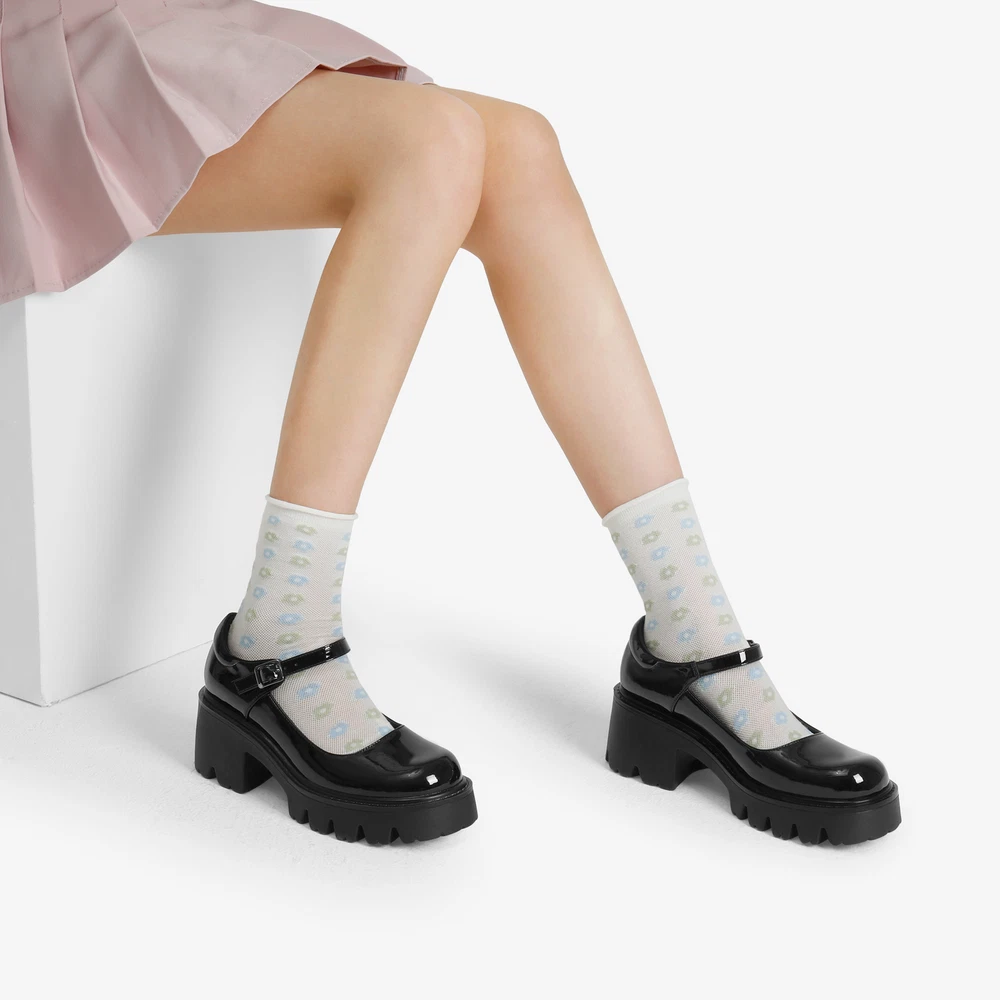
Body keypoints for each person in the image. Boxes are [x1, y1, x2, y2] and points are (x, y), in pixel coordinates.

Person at [1, 0, 900, 845]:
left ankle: (693, 641)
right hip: (41, 50)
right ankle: (278, 638)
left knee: (519, 147)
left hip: (160, 29)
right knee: (427, 143)